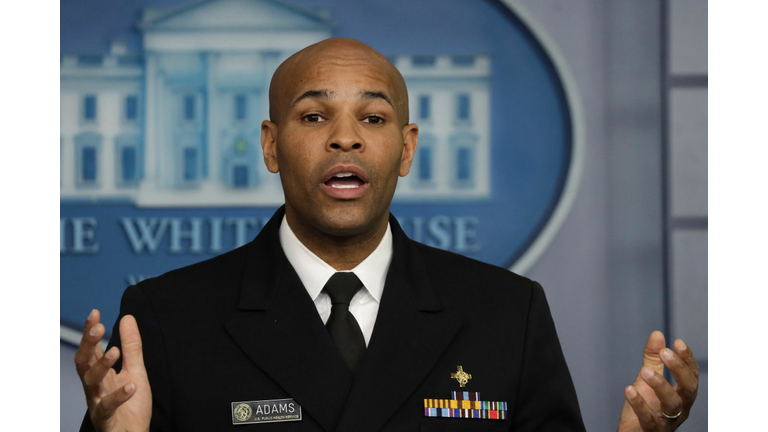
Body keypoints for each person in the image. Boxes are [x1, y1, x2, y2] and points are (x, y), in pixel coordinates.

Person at [75, 37, 699, 431]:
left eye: (371, 118)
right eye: (314, 116)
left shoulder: (508, 313)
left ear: (405, 149)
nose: (344, 138)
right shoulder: (166, 316)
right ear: (270, 146)